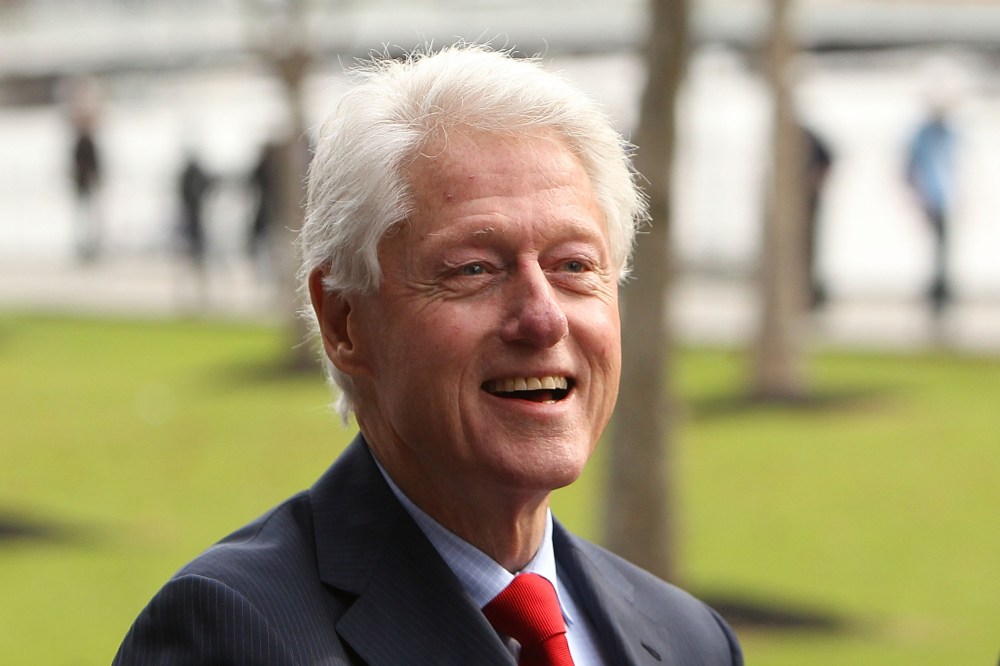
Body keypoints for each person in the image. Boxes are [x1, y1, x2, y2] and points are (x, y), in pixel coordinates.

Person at [113, 44, 743, 665]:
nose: (543, 317)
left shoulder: (690, 638)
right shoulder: (232, 634)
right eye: (473, 268)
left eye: (574, 266)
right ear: (344, 320)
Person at [905, 105, 956, 314]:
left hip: (947, 198)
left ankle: (942, 290)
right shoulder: (923, 137)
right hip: (931, 198)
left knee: (943, 246)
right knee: (935, 244)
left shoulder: (951, 136)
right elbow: (912, 168)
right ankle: (936, 292)